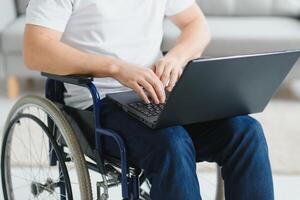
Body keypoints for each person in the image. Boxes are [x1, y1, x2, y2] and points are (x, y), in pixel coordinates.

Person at [23, 0, 274, 199]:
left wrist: (176, 58)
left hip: (158, 93)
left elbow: (196, 24)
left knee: (245, 131)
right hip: (98, 102)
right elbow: (35, 50)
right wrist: (116, 68)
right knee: (171, 142)